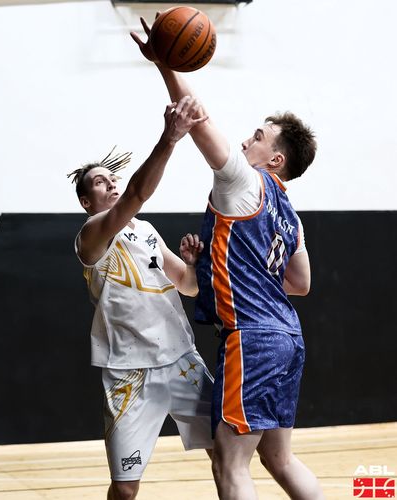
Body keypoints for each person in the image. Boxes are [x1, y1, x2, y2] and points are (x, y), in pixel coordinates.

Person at [131, 22, 325, 500]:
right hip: (288, 337)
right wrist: (230, 268)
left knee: (230, 461)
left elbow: (197, 119)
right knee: (279, 458)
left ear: (275, 160)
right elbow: (300, 283)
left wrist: (165, 64)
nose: (244, 142)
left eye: (257, 137)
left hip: (253, 338)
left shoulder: (243, 181)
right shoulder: (291, 216)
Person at [68, 98, 214, 500]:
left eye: (111, 178)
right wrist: (170, 137)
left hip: (181, 360)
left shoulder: (146, 231)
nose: (111, 183)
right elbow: (137, 192)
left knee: (225, 454)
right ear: (86, 202)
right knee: (125, 488)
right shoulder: (91, 236)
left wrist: (192, 265)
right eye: (100, 182)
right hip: (129, 374)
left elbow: (188, 287)